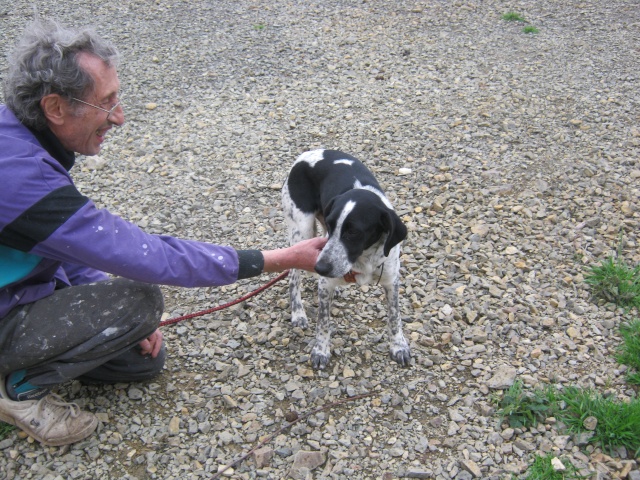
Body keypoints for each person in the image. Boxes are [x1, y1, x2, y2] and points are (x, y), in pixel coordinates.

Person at [0, 19, 326, 447]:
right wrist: (277, 258)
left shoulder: (23, 137)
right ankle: (16, 392)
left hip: (18, 289)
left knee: (139, 360)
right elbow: (146, 256)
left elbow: (68, 242)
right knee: (141, 299)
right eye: (106, 103)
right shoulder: (17, 177)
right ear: (55, 108)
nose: (119, 117)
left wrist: (117, 321)